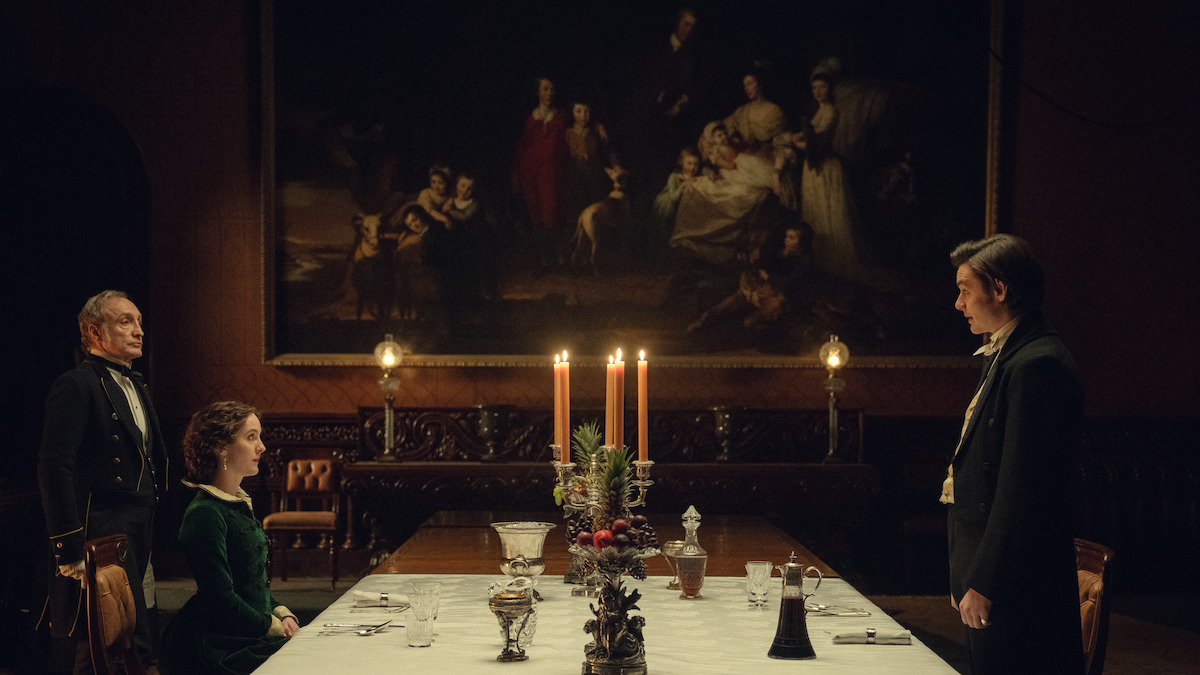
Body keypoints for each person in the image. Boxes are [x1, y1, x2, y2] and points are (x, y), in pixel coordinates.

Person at [941, 234, 1084, 674]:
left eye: (966, 289)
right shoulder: (1008, 354)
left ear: (999, 290)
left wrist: (985, 580)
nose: (959, 303)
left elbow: (1022, 489)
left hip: (1016, 582)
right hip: (993, 572)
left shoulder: (1037, 364)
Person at [37, 290, 169, 673]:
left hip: (136, 529)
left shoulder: (137, 384)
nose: (139, 331)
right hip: (98, 533)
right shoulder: (76, 385)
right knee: (95, 641)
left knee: (135, 635)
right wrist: (69, 547)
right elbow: (53, 466)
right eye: (126, 321)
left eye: (140, 322)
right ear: (94, 332)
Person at [159, 401, 300, 675]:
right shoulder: (205, 513)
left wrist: (280, 611)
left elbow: (251, 583)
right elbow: (220, 598)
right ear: (221, 447)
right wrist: (270, 626)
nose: (262, 447)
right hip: (220, 644)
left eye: (259, 437)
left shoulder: (235, 503)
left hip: (247, 629)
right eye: (251, 437)